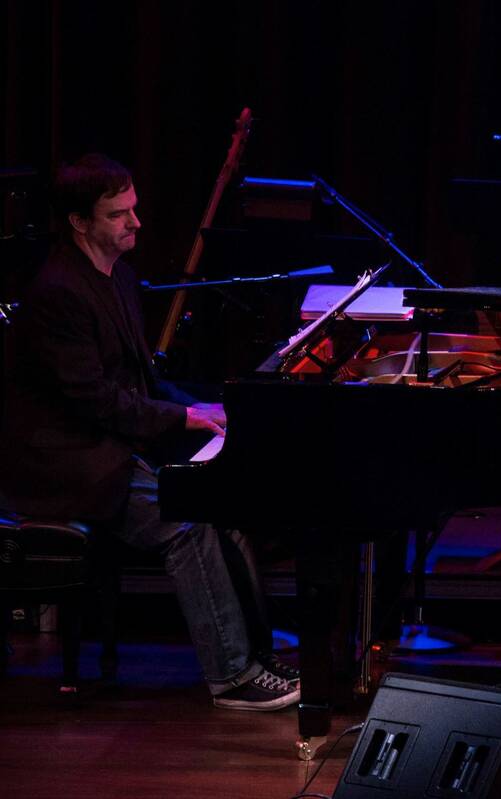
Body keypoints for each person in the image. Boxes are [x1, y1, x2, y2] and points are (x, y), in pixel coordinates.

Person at [0, 154, 299, 711]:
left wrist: (208, 407)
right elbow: (95, 400)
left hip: (106, 445)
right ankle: (232, 676)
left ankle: (258, 657)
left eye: (134, 210)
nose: (136, 223)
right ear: (79, 222)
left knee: (225, 506)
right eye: (119, 215)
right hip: (64, 463)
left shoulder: (118, 277)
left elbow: (143, 380)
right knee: (186, 524)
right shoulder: (59, 292)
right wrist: (182, 419)